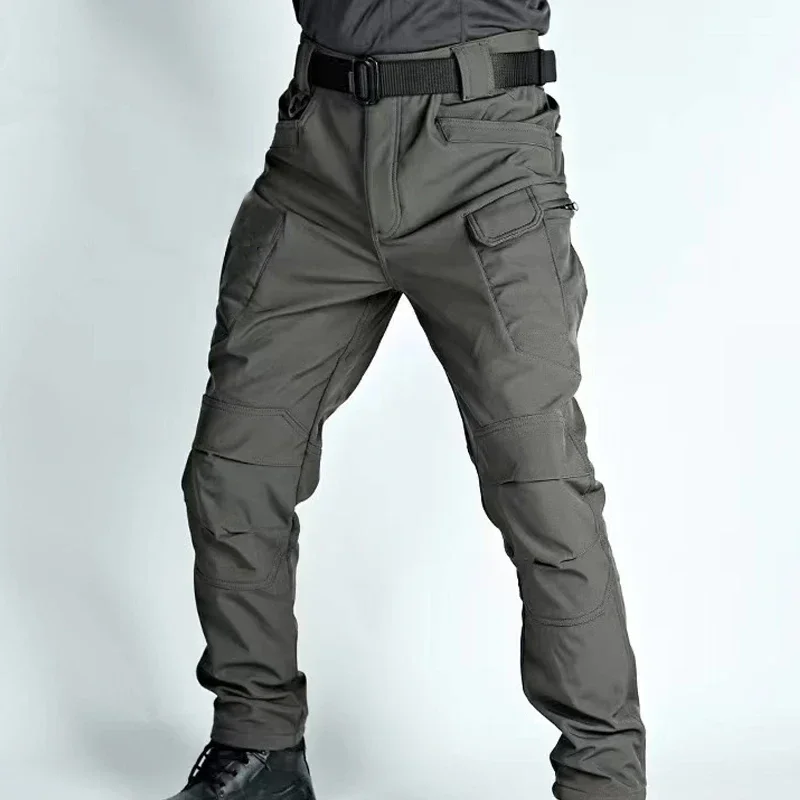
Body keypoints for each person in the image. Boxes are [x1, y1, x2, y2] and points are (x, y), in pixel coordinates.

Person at [164, 2, 647, 799]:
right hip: (318, 155)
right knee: (234, 467)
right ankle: (259, 746)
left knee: (539, 479)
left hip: (481, 150)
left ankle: (603, 782)